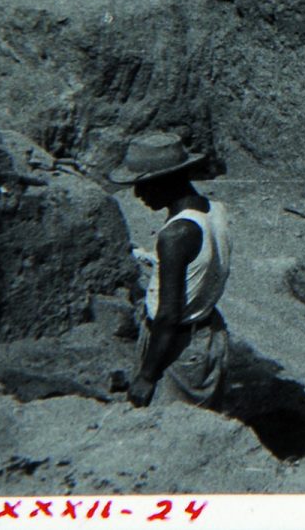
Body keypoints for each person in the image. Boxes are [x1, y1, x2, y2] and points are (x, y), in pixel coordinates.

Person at [110, 131, 232, 409]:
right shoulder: (215, 210)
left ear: (167, 180)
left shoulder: (176, 234)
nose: (138, 194)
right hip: (208, 334)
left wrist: (146, 376)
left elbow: (168, 315)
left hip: (176, 347)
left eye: (144, 185)